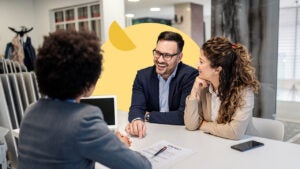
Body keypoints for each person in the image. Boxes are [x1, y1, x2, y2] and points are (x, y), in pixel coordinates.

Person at [17, 30, 151, 169]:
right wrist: (121, 145)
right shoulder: (84, 120)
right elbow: (141, 166)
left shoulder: (30, 111)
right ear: (88, 80)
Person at [184, 36, 260, 140]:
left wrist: (202, 125)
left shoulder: (244, 91)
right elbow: (191, 125)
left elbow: (234, 132)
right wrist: (194, 92)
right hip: (216, 145)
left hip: (243, 148)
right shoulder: (204, 87)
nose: (197, 65)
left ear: (217, 69)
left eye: (201, 62)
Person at [126, 31, 198, 138]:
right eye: (158, 53)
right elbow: (136, 108)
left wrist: (148, 116)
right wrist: (137, 120)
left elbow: (183, 116)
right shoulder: (142, 76)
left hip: (181, 135)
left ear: (179, 57)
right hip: (152, 133)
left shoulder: (190, 76)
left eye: (167, 55)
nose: (160, 60)